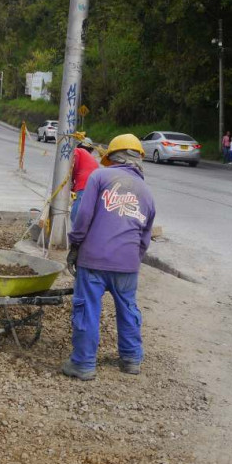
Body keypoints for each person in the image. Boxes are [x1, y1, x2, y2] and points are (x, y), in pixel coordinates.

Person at [63, 134, 156, 380]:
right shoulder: (146, 192)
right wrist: (132, 258)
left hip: (93, 259)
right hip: (127, 264)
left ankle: (83, 364)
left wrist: (75, 246)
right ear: (139, 159)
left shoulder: (100, 177)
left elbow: (83, 218)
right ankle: (131, 359)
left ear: (111, 157)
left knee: (87, 309)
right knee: (128, 308)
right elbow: (145, 237)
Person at [70, 136, 100, 223]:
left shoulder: (78, 151)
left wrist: (71, 180)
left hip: (84, 186)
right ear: (91, 150)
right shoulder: (92, 159)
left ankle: (76, 233)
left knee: (75, 215)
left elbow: (73, 166)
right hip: (95, 187)